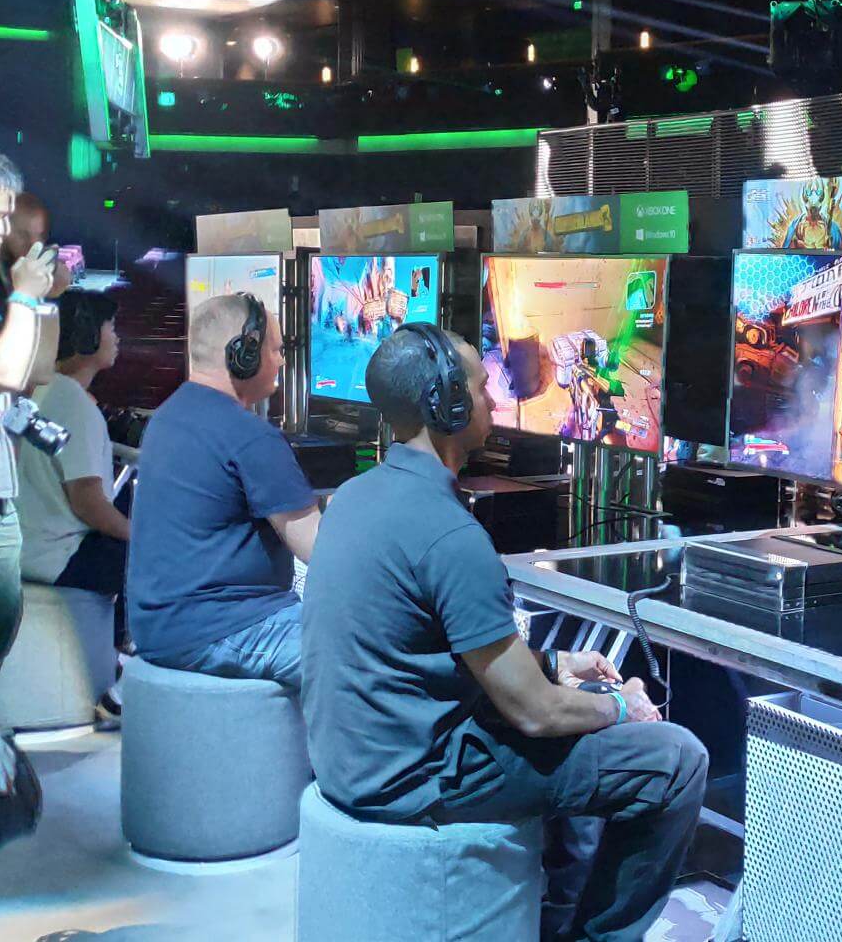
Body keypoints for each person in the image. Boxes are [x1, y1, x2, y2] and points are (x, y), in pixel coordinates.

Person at [302, 325, 708, 942]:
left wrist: (553, 665)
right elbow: (536, 715)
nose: (493, 395)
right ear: (447, 404)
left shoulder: (355, 498)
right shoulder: (450, 536)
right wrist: (623, 706)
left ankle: (553, 918)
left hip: (356, 759)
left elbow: (432, 649)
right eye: (478, 385)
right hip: (418, 779)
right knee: (676, 759)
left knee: (580, 722)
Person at [127, 293, 319, 690]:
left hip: (158, 628)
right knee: (369, 651)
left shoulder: (167, 417)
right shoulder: (249, 436)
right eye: (276, 350)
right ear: (243, 354)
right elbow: (320, 550)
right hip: (227, 628)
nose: (282, 361)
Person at [0, 145, 60, 801]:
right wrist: (25, 296)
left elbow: (31, 371)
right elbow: (2, 369)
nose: (4, 232)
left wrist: (41, 302)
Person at [15, 290, 131, 717]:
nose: (117, 337)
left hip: (26, 546)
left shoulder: (41, 391)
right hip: (58, 556)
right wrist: (139, 535)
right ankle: (128, 679)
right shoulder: (76, 406)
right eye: (110, 327)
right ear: (87, 335)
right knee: (158, 558)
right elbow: (87, 503)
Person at [0, 192, 71, 311]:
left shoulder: (30, 263)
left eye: (41, 235)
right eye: (23, 235)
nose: (34, 245)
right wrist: (25, 294)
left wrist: (53, 281)